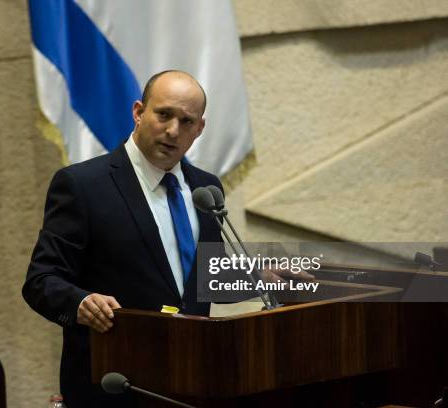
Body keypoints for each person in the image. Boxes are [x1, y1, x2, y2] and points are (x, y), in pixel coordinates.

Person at [22, 70, 308, 407]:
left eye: (187, 121)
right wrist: (81, 303)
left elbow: (197, 278)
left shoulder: (206, 189)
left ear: (199, 129)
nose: (173, 131)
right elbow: (41, 281)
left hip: (191, 382)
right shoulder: (83, 185)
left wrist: (257, 277)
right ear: (139, 112)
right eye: (164, 115)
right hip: (114, 384)